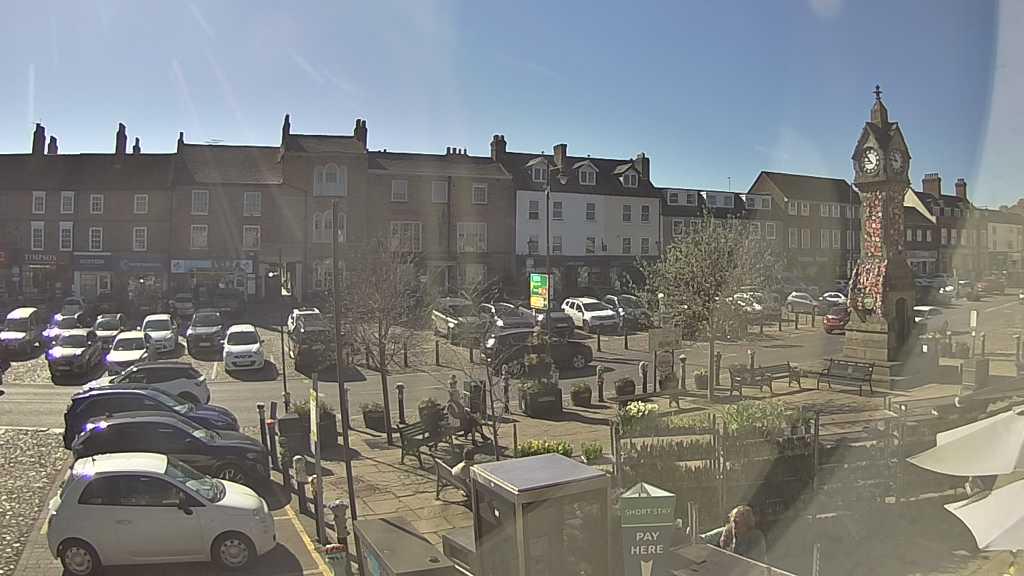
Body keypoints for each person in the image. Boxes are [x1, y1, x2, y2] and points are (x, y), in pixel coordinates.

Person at [700, 505, 766, 562]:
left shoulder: (756, 537)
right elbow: (702, 539)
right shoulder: (725, 531)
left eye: (738, 519)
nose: (734, 523)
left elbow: (756, 561)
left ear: (747, 522)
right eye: (733, 519)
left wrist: (734, 544)